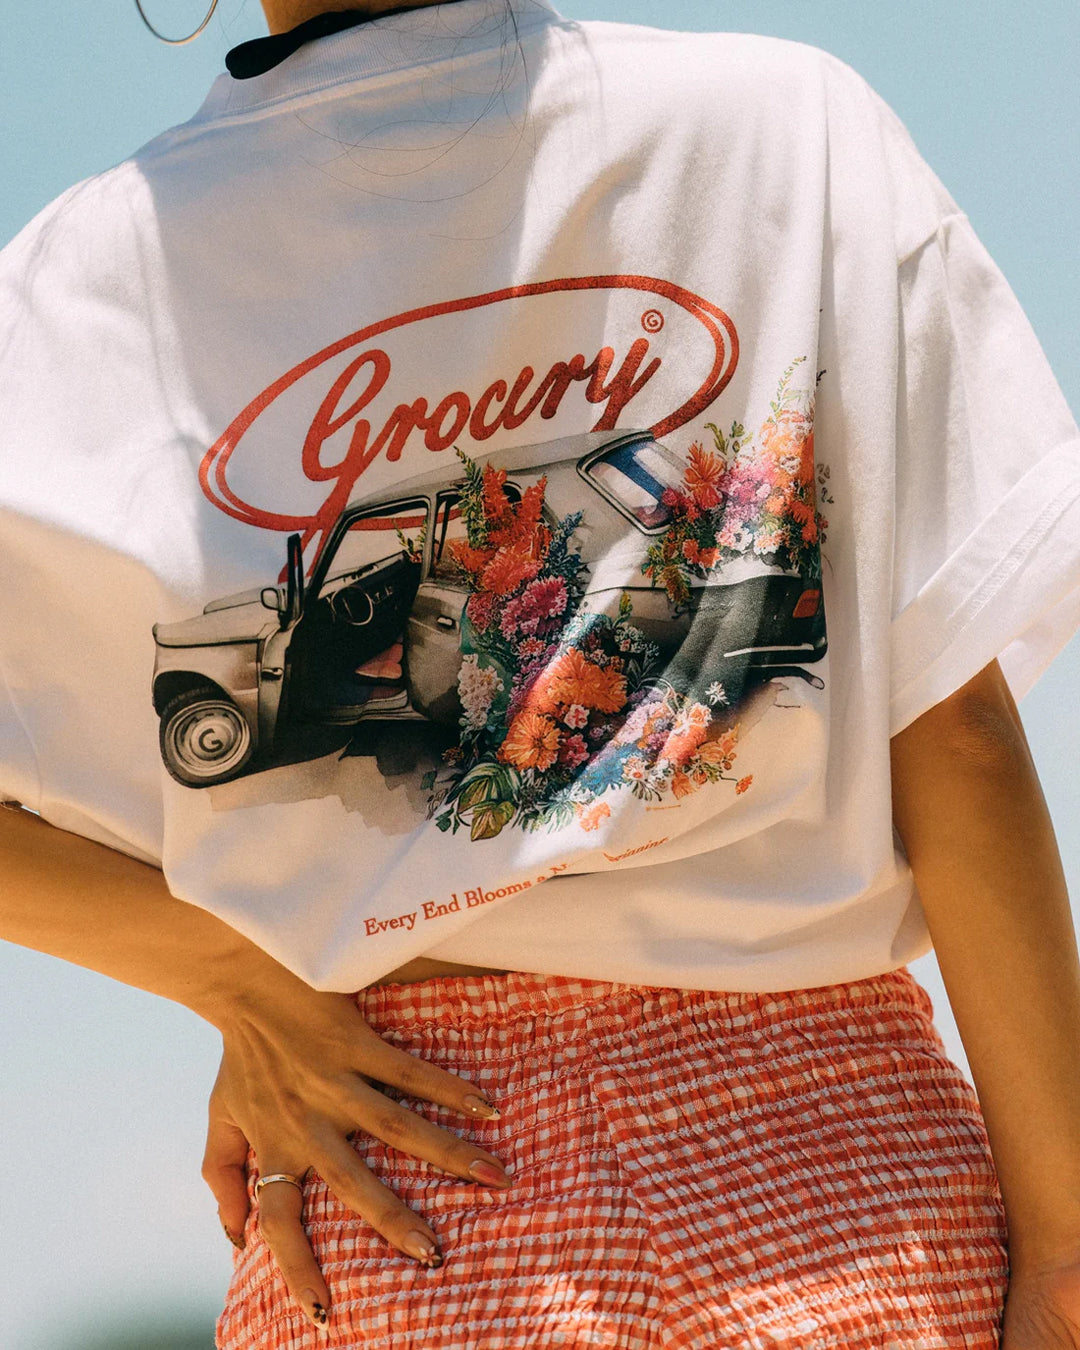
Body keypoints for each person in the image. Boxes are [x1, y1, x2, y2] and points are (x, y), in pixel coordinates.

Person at [3, 0, 1080, 1345]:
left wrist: (241, 977)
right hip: (820, 1157)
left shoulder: (65, 292)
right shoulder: (784, 133)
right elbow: (955, 735)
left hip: (391, 1169)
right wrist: (1063, 1252)